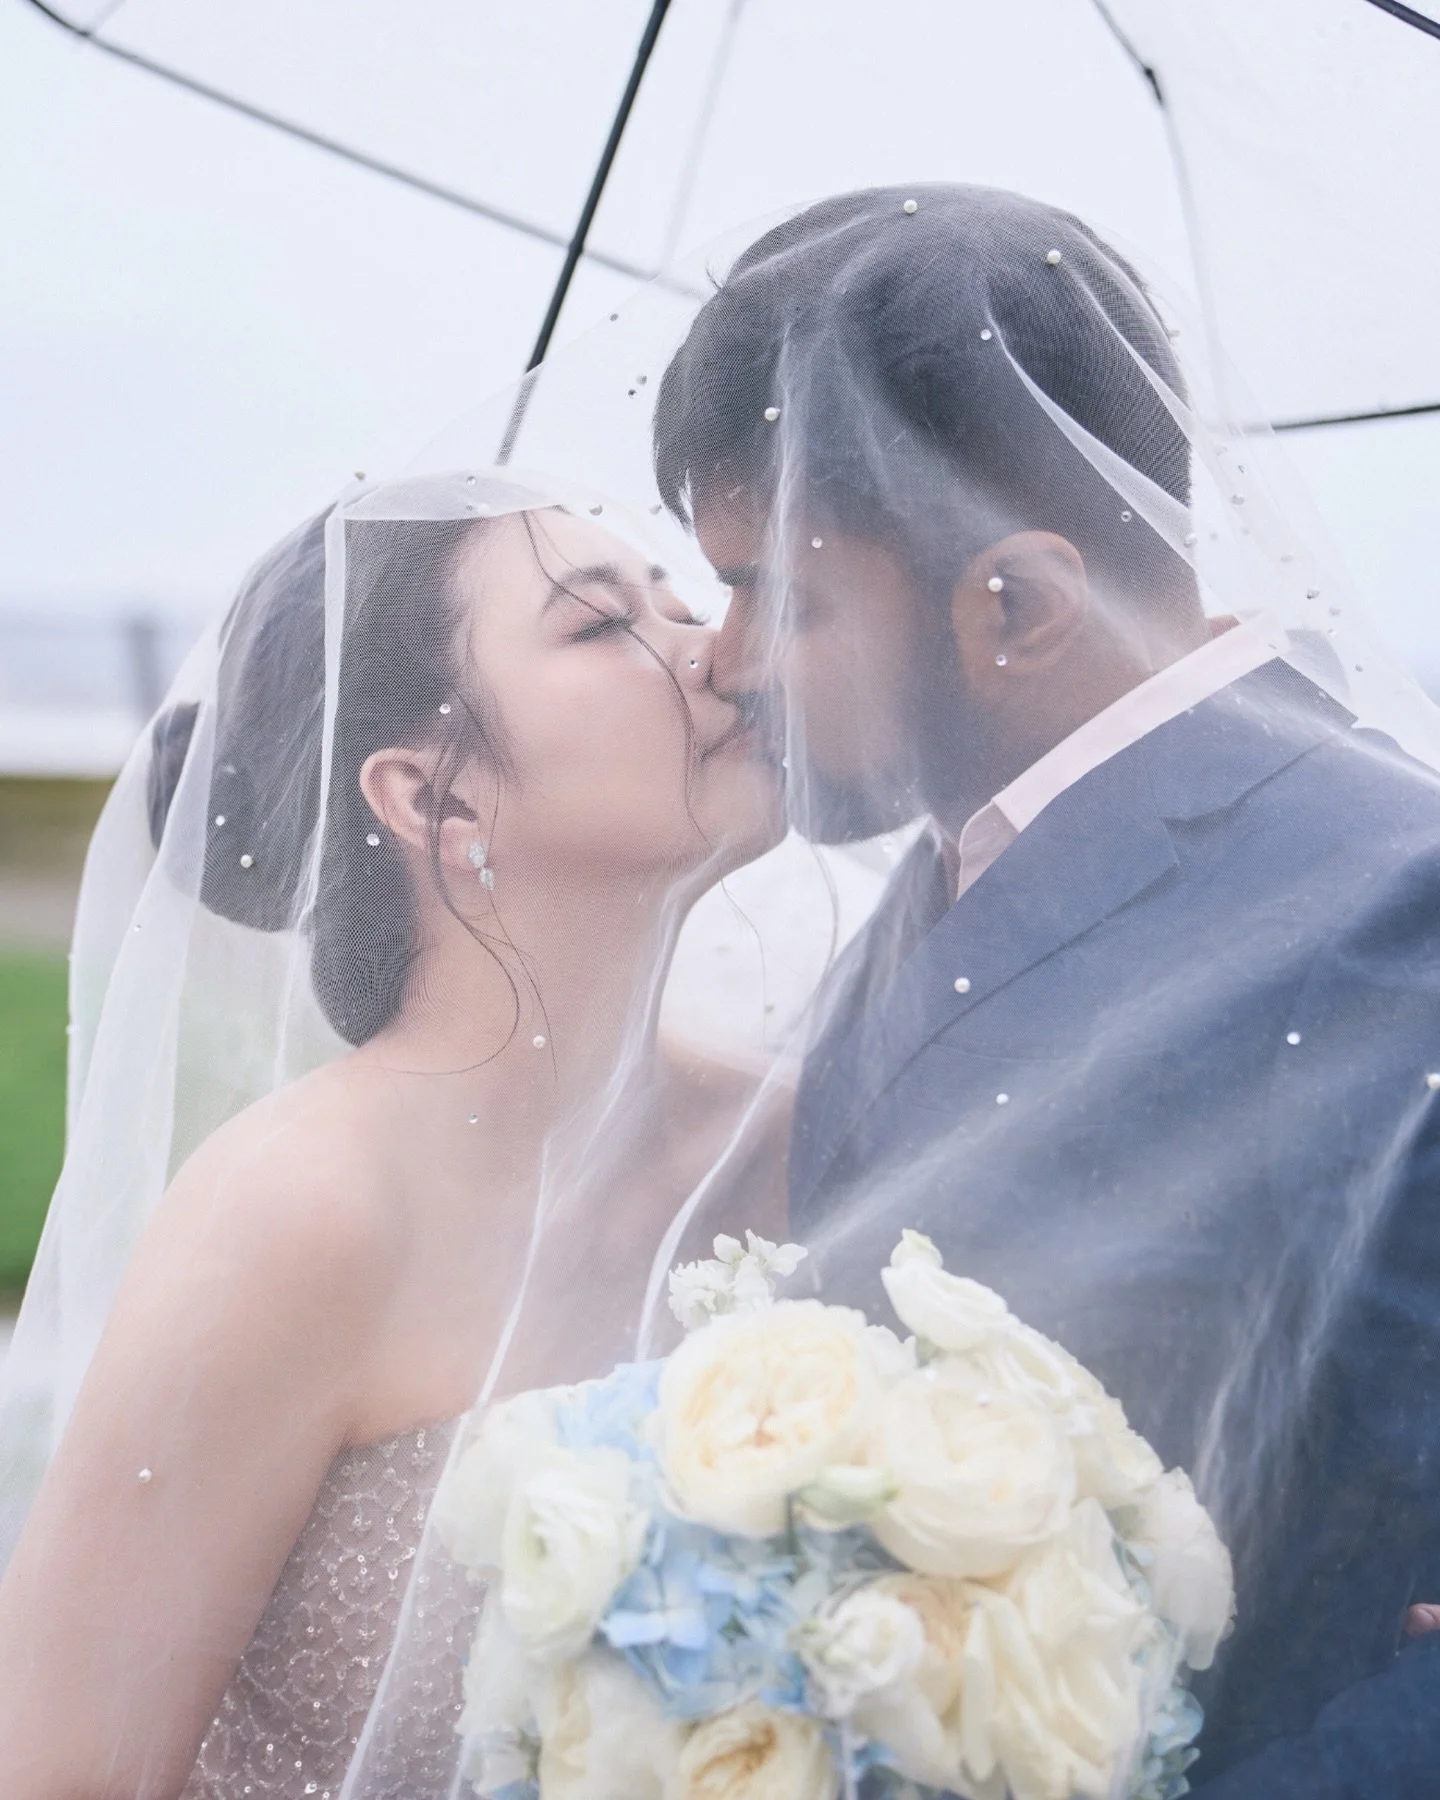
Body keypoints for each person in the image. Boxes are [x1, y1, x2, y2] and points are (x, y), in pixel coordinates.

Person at [651, 185, 1440, 1795]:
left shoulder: (1390, 914)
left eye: (779, 596)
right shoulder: (947, 857)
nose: (722, 660)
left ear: (1016, 605)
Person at [0, 479, 786, 1798]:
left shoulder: (799, 1135)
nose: (717, 649)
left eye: (685, 603)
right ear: (432, 796)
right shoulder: (299, 1215)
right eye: (605, 626)